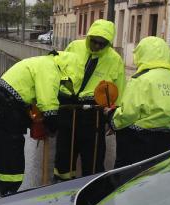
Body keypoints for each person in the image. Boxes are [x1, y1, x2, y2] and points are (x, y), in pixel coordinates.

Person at [0, 51, 82, 197]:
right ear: (69, 70)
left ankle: (4, 191)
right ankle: (9, 193)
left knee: (1, 152)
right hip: (7, 107)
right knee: (11, 153)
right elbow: (48, 106)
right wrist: (52, 127)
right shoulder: (50, 70)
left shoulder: (44, 62)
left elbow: (33, 95)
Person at [53, 19, 126, 182]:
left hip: (94, 115)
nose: (98, 46)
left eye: (103, 43)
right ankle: (61, 188)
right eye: (94, 42)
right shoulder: (75, 47)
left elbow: (119, 90)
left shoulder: (114, 59)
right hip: (69, 109)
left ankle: (91, 190)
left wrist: (114, 117)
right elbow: (59, 70)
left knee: (93, 157)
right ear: (89, 37)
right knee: (64, 154)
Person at [105, 36, 170, 168]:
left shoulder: (140, 79)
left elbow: (128, 113)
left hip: (137, 141)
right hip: (166, 139)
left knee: (128, 178)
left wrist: (112, 119)